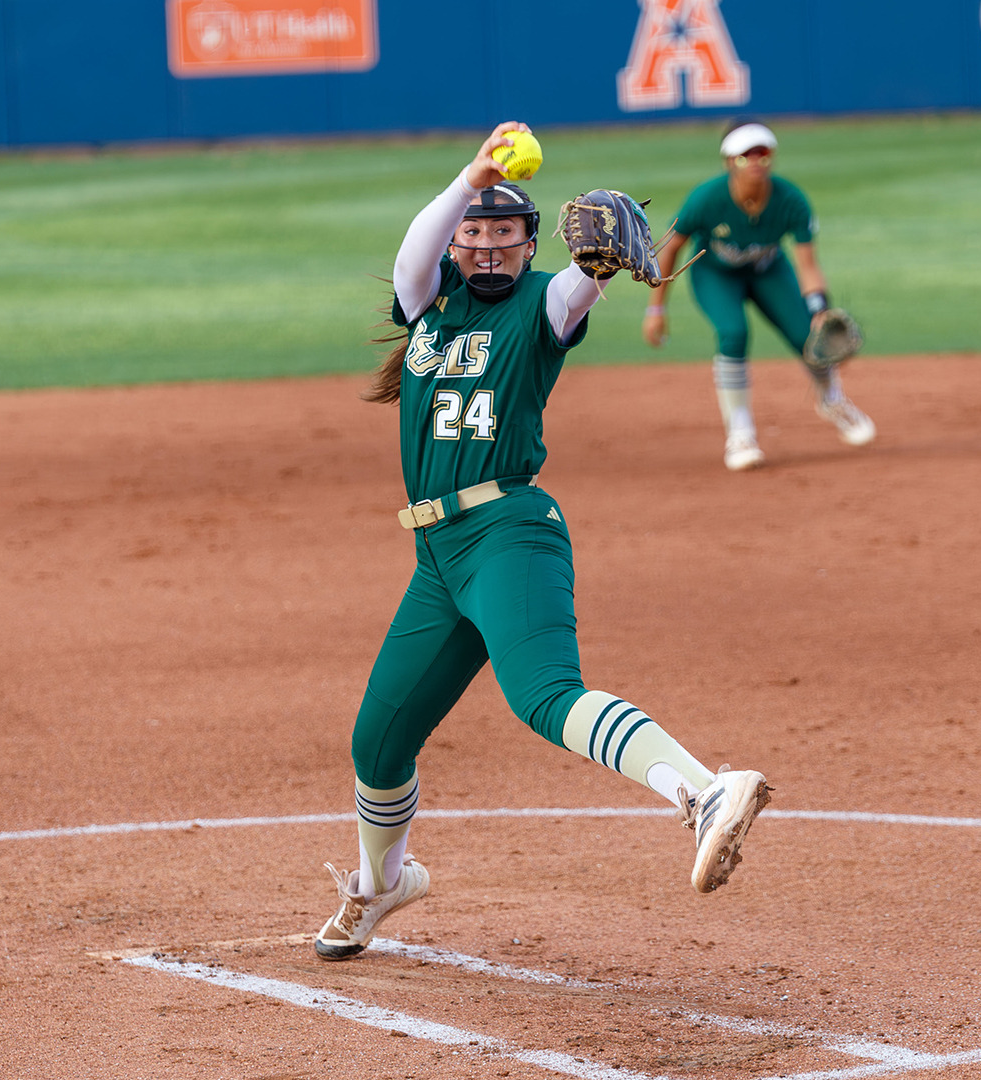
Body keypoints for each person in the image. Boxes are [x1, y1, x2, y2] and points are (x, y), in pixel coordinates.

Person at [314, 122, 772, 962]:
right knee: (377, 741)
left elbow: (580, 287)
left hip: (509, 532)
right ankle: (382, 885)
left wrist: (597, 267)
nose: (487, 249)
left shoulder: (545, 306)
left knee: (543, 695)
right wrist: (471, 176)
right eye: (474, 235)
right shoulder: (429, 302)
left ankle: (705, 791)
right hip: (436, 560)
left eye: (505, 236)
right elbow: (414, 251)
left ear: (532, 247)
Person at [643, 118, 875, 472]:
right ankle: (740, 433)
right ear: (727, 162)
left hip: (769, 271)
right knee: (733, 332)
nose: (754, 163)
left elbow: (808, 264)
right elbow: (672, 248)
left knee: (809, 337)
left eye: (762, 155)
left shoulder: (790, 200)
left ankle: (832, 400)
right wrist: (655, 309)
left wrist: (819, 307)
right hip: (715, 273)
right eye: (744, 156)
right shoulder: (707, 198)